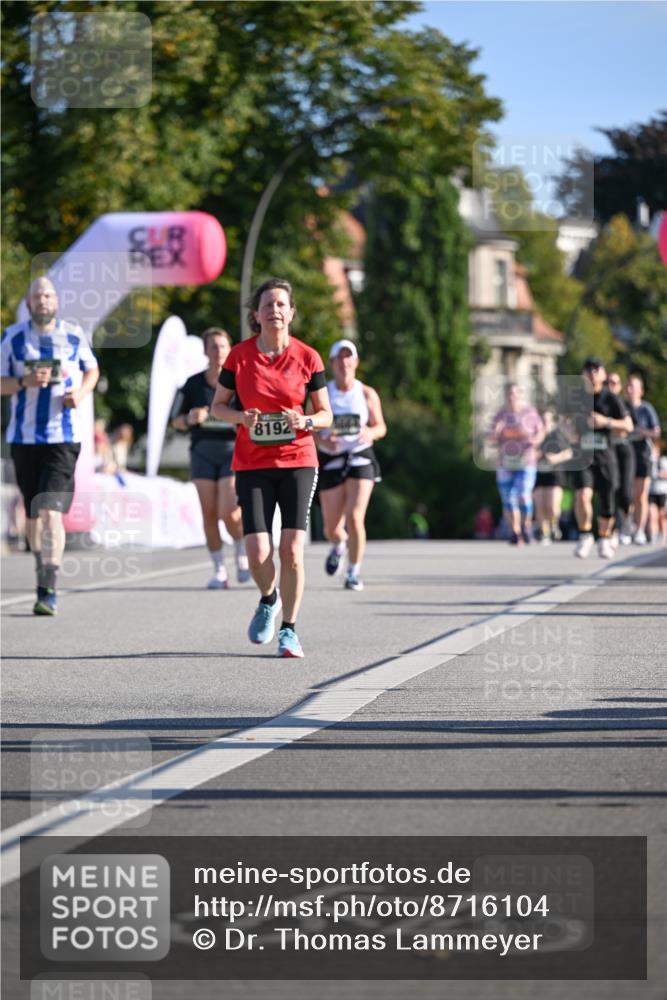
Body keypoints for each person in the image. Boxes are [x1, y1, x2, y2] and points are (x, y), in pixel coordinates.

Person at [211, 278, 332, 657]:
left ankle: (290, 630)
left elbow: (326, 414)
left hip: (298, 459)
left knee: (292, 550)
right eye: (268, 305)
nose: (274, 311)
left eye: (281, 304)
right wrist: (241, 418)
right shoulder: (239, 357)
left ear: (291, 313)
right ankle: (269, 597)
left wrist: (306, 422)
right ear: (256, 314)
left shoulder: (309, 357)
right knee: (257, 552)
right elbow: (218, 407)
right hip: (252, 463)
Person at [0, 276, 99, 614]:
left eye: (48, 294)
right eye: (37, 295)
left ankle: (48, 587)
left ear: (56, 302)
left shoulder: (72, 334)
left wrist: (80, 394)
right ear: (28, 303)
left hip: (63, 438)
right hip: (24, 439)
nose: (43, 300)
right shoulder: (12, 338)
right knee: (32, 516)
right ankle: (41, 567)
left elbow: (92, 370)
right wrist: (23, 381)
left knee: (49, 510)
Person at [172, 328, 249, 589]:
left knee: (230, 512)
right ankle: (219, 570)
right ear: (205, 351)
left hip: (231, 450)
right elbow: (176, 421)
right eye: (213, 347)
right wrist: (190, 419)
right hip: (202, 451)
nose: (218, 351)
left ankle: (241, 550)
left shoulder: (240, 382)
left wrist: (234, 418)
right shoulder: (193, 384)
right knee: (209, 513)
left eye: (223, 346)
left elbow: (251, 417)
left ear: (230, 350)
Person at [316, 338, 386, 591]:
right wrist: (323, 439)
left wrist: (370, 433)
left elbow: (381, 427)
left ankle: (353, 572)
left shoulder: (366, 393)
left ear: (355, 362)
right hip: (332, 458)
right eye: (340, 357)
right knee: (331, 528)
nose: (345, 362)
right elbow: (309, 427)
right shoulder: (323, 393)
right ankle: (338, 545)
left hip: (360, 456)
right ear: (332, 363)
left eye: (349, 357)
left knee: (355, 519)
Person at [572, 358, 633, 559]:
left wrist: (605, 421)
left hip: (606, 457)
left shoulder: (611, 399)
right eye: (588, 369)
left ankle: (605, 538)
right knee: (582, 496)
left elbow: (628, 425)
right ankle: (585, 535)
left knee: (607, 503)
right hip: (583, 457)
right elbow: (564, 422)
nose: (591, 373)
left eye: (596, 369)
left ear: (603, 374)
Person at [490, 383, 544, 545]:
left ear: (520, 395)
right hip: (505, 462)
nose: (512, 397)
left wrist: (536, 440)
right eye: (509, 394)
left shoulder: (529, 413)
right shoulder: (500, 415)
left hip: (526, 461)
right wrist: (496, 432)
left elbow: (540, 431)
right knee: (508, 498)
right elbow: (491, 439)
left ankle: (526, 526)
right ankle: (515, 532)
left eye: (515, 394)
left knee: (523, 495)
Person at [625, 374, 661, 545]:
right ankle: (627, 527)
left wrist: (640, 431)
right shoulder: (622, 407)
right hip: (625, 454)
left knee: (640, 495)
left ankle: (639, 530)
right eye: (628, 386)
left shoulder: (646, 409)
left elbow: (656, 431)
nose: (629, 389)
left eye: (633, 386)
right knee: (627, 494)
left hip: (643, 455)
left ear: (641, 391)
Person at [533, 409, 572, 544]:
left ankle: (554, 524)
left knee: (552, 506)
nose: (545, 423)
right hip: (538, 474)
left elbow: (568, 453)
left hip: (555, 474)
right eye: (543, 420)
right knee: (540, 505)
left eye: (548, 420)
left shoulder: (557, 435)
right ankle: (545, 533)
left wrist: (555, 458)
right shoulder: (536, 436)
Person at [606, 371, 636, 545]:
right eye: (609, 382)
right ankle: (613, 530)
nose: (611, 386)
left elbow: (629, 428)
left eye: (615, 383)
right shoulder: (602, 403)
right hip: (608, 451)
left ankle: (627, 520)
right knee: (610, 490)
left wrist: (608, 424)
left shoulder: (624, 404)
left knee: (625, 492)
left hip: (624, 451)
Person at [648, 439, 667, 544]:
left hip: (662, 491)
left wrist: (661, 474)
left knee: (662, 516)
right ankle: (653, 536)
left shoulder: (664, 460)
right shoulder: (649, 461)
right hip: (652, 492)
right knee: (652, 515)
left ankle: (663, 536)